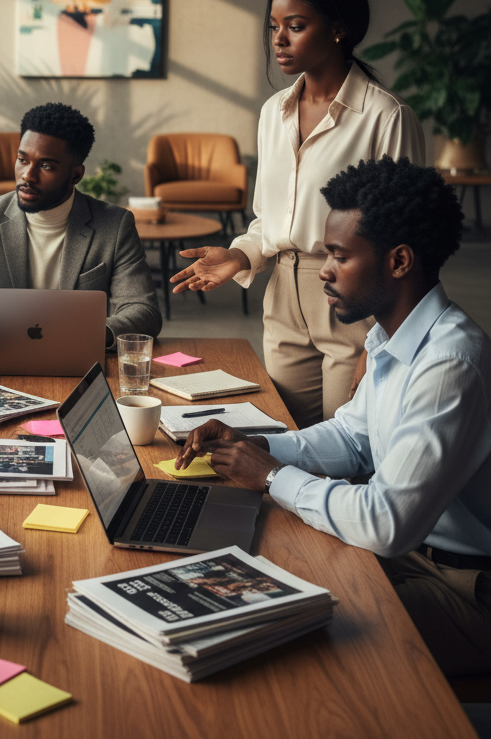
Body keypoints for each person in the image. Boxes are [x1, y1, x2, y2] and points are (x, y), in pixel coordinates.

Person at [175, 157, 490, 676]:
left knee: (287, 641)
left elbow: (385, 524)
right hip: (413, 556)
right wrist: (255, 446)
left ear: (400, 261)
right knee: (252, 572)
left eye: (339, 256)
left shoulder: (450, 363)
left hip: (464, 590)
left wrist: (272, 476)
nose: (322, 269)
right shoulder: (391, 334)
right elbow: (352, 438)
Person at [170, 0, 424, 427]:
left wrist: (385, 340)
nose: (279, 40)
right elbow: (270, 219)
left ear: (338, 30)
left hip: (354, 298)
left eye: (296, 26)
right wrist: (240, 256)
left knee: (348, 444)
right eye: (274, 27)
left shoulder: (385, 117)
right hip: (283, 296)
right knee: (291, 436)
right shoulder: (274, 113)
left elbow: (407, 239)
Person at [0, 102, 161, 345]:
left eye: (46, 166)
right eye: (22, 160)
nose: (28, 175)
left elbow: (144, 311)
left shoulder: (114, 225)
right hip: (0, 357)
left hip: (77, 360)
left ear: (76, 175)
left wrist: (82, 334)